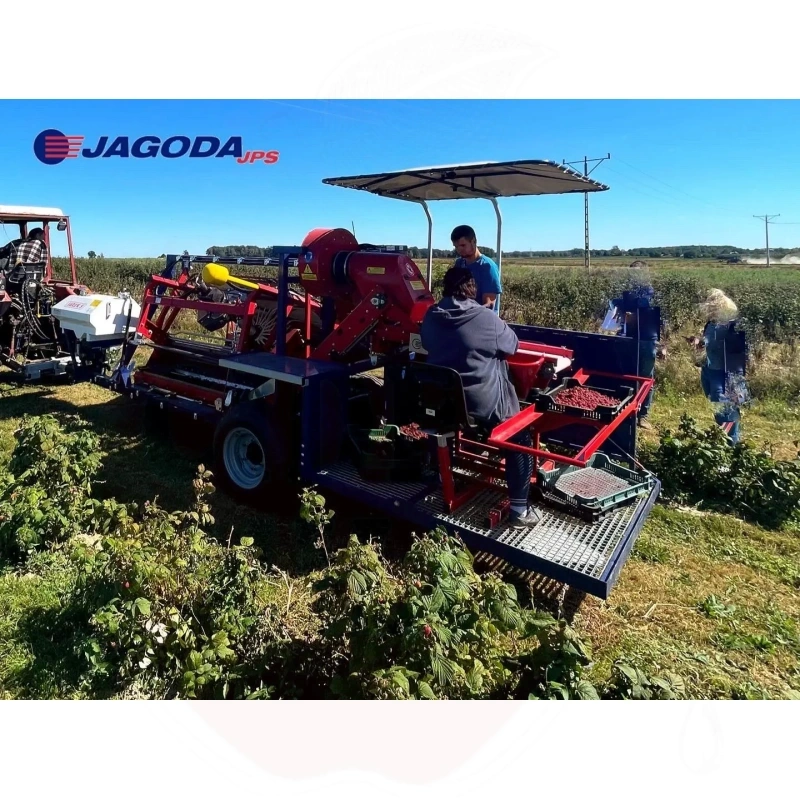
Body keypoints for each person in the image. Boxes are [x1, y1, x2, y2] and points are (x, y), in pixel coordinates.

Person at [420, 266, 541, 526]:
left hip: (441, 405)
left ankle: (440, 473)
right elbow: (513, 345)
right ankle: (520, 510)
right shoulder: (485, 318)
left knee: (440, 419)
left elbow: (429, 344)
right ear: (472, 291)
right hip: (479, 407)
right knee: (520, 436)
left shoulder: (431, 316)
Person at [687, 289, 748, 444]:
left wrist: (698, 342)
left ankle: (730, 444)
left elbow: (714, 344)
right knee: (720, 408)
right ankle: (728, 441)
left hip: (722, 373)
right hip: (711, 369)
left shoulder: (726, 326)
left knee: (725, 410)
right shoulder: (713, 323)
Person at [603, 284, 660, 430]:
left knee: (646, 379)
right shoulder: (627, 300)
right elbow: (613, 302)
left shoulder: (648, 299)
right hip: (629, 341)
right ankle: (626, 409)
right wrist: (621, 307)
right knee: (628, 375)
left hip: (647, 342)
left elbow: (651, 311)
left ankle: (642, 415)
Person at [450, 224, 502, 313]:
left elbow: (489, 305)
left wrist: (469, 316)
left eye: (463, 245)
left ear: (473, 241)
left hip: (481, 318)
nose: (459, 250)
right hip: (460, 315)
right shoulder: (459, 263)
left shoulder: (487, 267)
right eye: (456, 247)